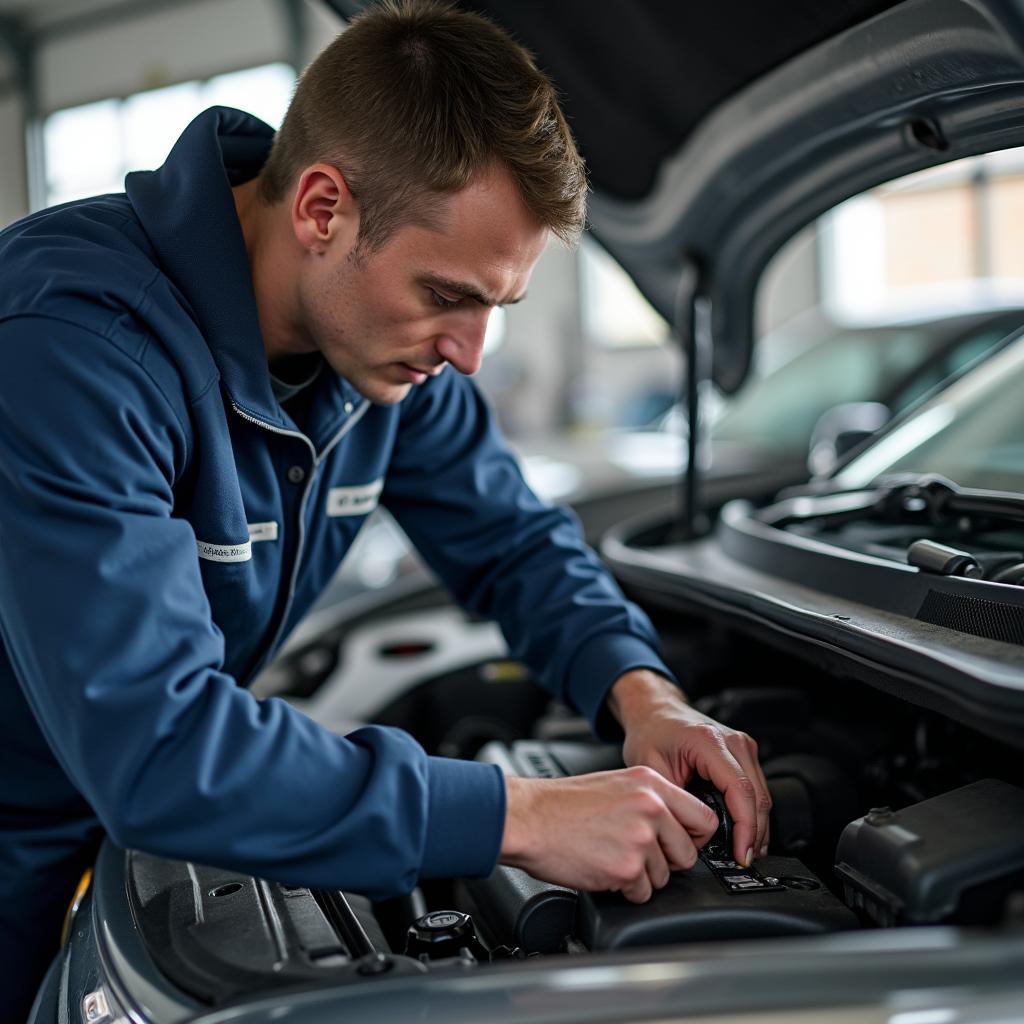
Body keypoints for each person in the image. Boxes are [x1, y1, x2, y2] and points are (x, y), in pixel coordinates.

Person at [0, 1, 770, 1015]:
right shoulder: (73, 347)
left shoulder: (376, 347)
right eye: (449, 293)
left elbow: (514, 540)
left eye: (495, 306)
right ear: (321, 209)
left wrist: (639, 691)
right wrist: (519, 814)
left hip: (88, 808)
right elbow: (162, 748)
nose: (468, 352)